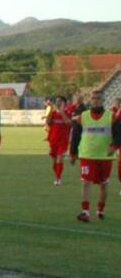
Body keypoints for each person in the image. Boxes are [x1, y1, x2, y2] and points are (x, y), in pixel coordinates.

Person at [73, 89, 121, 221]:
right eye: (94, 98)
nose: (96, 100)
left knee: (103, 186)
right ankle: (85, 212)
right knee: (86, 182)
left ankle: (100, 209)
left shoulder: (111, 117)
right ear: (90, 100)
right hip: (87, 156)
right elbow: (76, 135)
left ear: (103, 100)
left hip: (105, 157)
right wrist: (73, 151)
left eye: (98, 98)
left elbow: (119, 135)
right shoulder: (83, 116)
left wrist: (114, 146)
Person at [46, 96, 71, 185]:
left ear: (64, 103)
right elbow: (48, 122)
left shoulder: (67, 113)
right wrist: (51, 109)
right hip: (53, 140)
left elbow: (68, 122)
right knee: (54, 161)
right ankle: (56, 175)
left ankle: (58, 179)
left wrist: (62, 112)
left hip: (63, 141)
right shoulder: (53, 113)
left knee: (59, 159)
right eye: (57, 101)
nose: (58, 103)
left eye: (60, 101)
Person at [66, 91, 86, 165]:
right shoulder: (74, 107)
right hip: (74, 127)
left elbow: (81, 117)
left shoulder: (83, 108)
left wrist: (72, 118)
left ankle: (75, 156)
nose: (76, 100)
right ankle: (73, 156)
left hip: (80, 128)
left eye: (78, 99)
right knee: (72, 142)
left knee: (76, 142)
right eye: (76, 98)